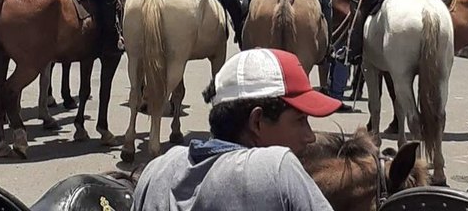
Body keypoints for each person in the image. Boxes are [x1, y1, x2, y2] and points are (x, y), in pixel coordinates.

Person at [132, 48, 341, 211]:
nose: (310, 136)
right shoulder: (277, 167)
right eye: (300, 120)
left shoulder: (156, 170)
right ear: (257, 122)